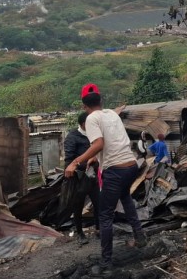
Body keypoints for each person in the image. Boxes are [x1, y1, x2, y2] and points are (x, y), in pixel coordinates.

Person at [64, 84, 147, 276]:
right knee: (126, 199)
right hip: (131, 166)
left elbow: (99, 143)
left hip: (115, 171)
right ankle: (140, 237)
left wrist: (75, 162)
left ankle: (106, 261)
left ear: (84, 106)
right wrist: (93, 158)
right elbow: (109, 144)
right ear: (101, 101)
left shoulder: (92, 118)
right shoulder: (111, 114)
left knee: (105, 215)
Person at [64, 112, 100, 245]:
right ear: (84, 124)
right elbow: (69, 160)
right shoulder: (72, 137)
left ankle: (99, 229)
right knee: (77, 206)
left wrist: (94, 160)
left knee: (98, 203)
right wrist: (84, 163)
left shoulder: (94, 136)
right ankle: (80, 233)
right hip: (78, 178)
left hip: (93, 176)